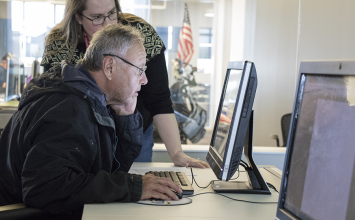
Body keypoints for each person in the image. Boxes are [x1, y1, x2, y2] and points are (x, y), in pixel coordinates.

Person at [0, 24, 182, 218]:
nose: (145, 80)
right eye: (140, 70)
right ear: (109, 67)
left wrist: (126, 113)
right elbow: (46, 188)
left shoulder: (91, 98)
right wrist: (133, 186)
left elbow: (114, 167)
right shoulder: (67, 109)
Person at [40, 0, 209, 168]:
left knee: (136, 182)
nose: (107, 24)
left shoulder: (141, 33)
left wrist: (177, 153)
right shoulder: (60, 42)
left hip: (133, 128)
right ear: (78, 17)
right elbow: (55, 101)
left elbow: (159, 99)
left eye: (112, 13)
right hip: (84, 132)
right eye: (97, 17)